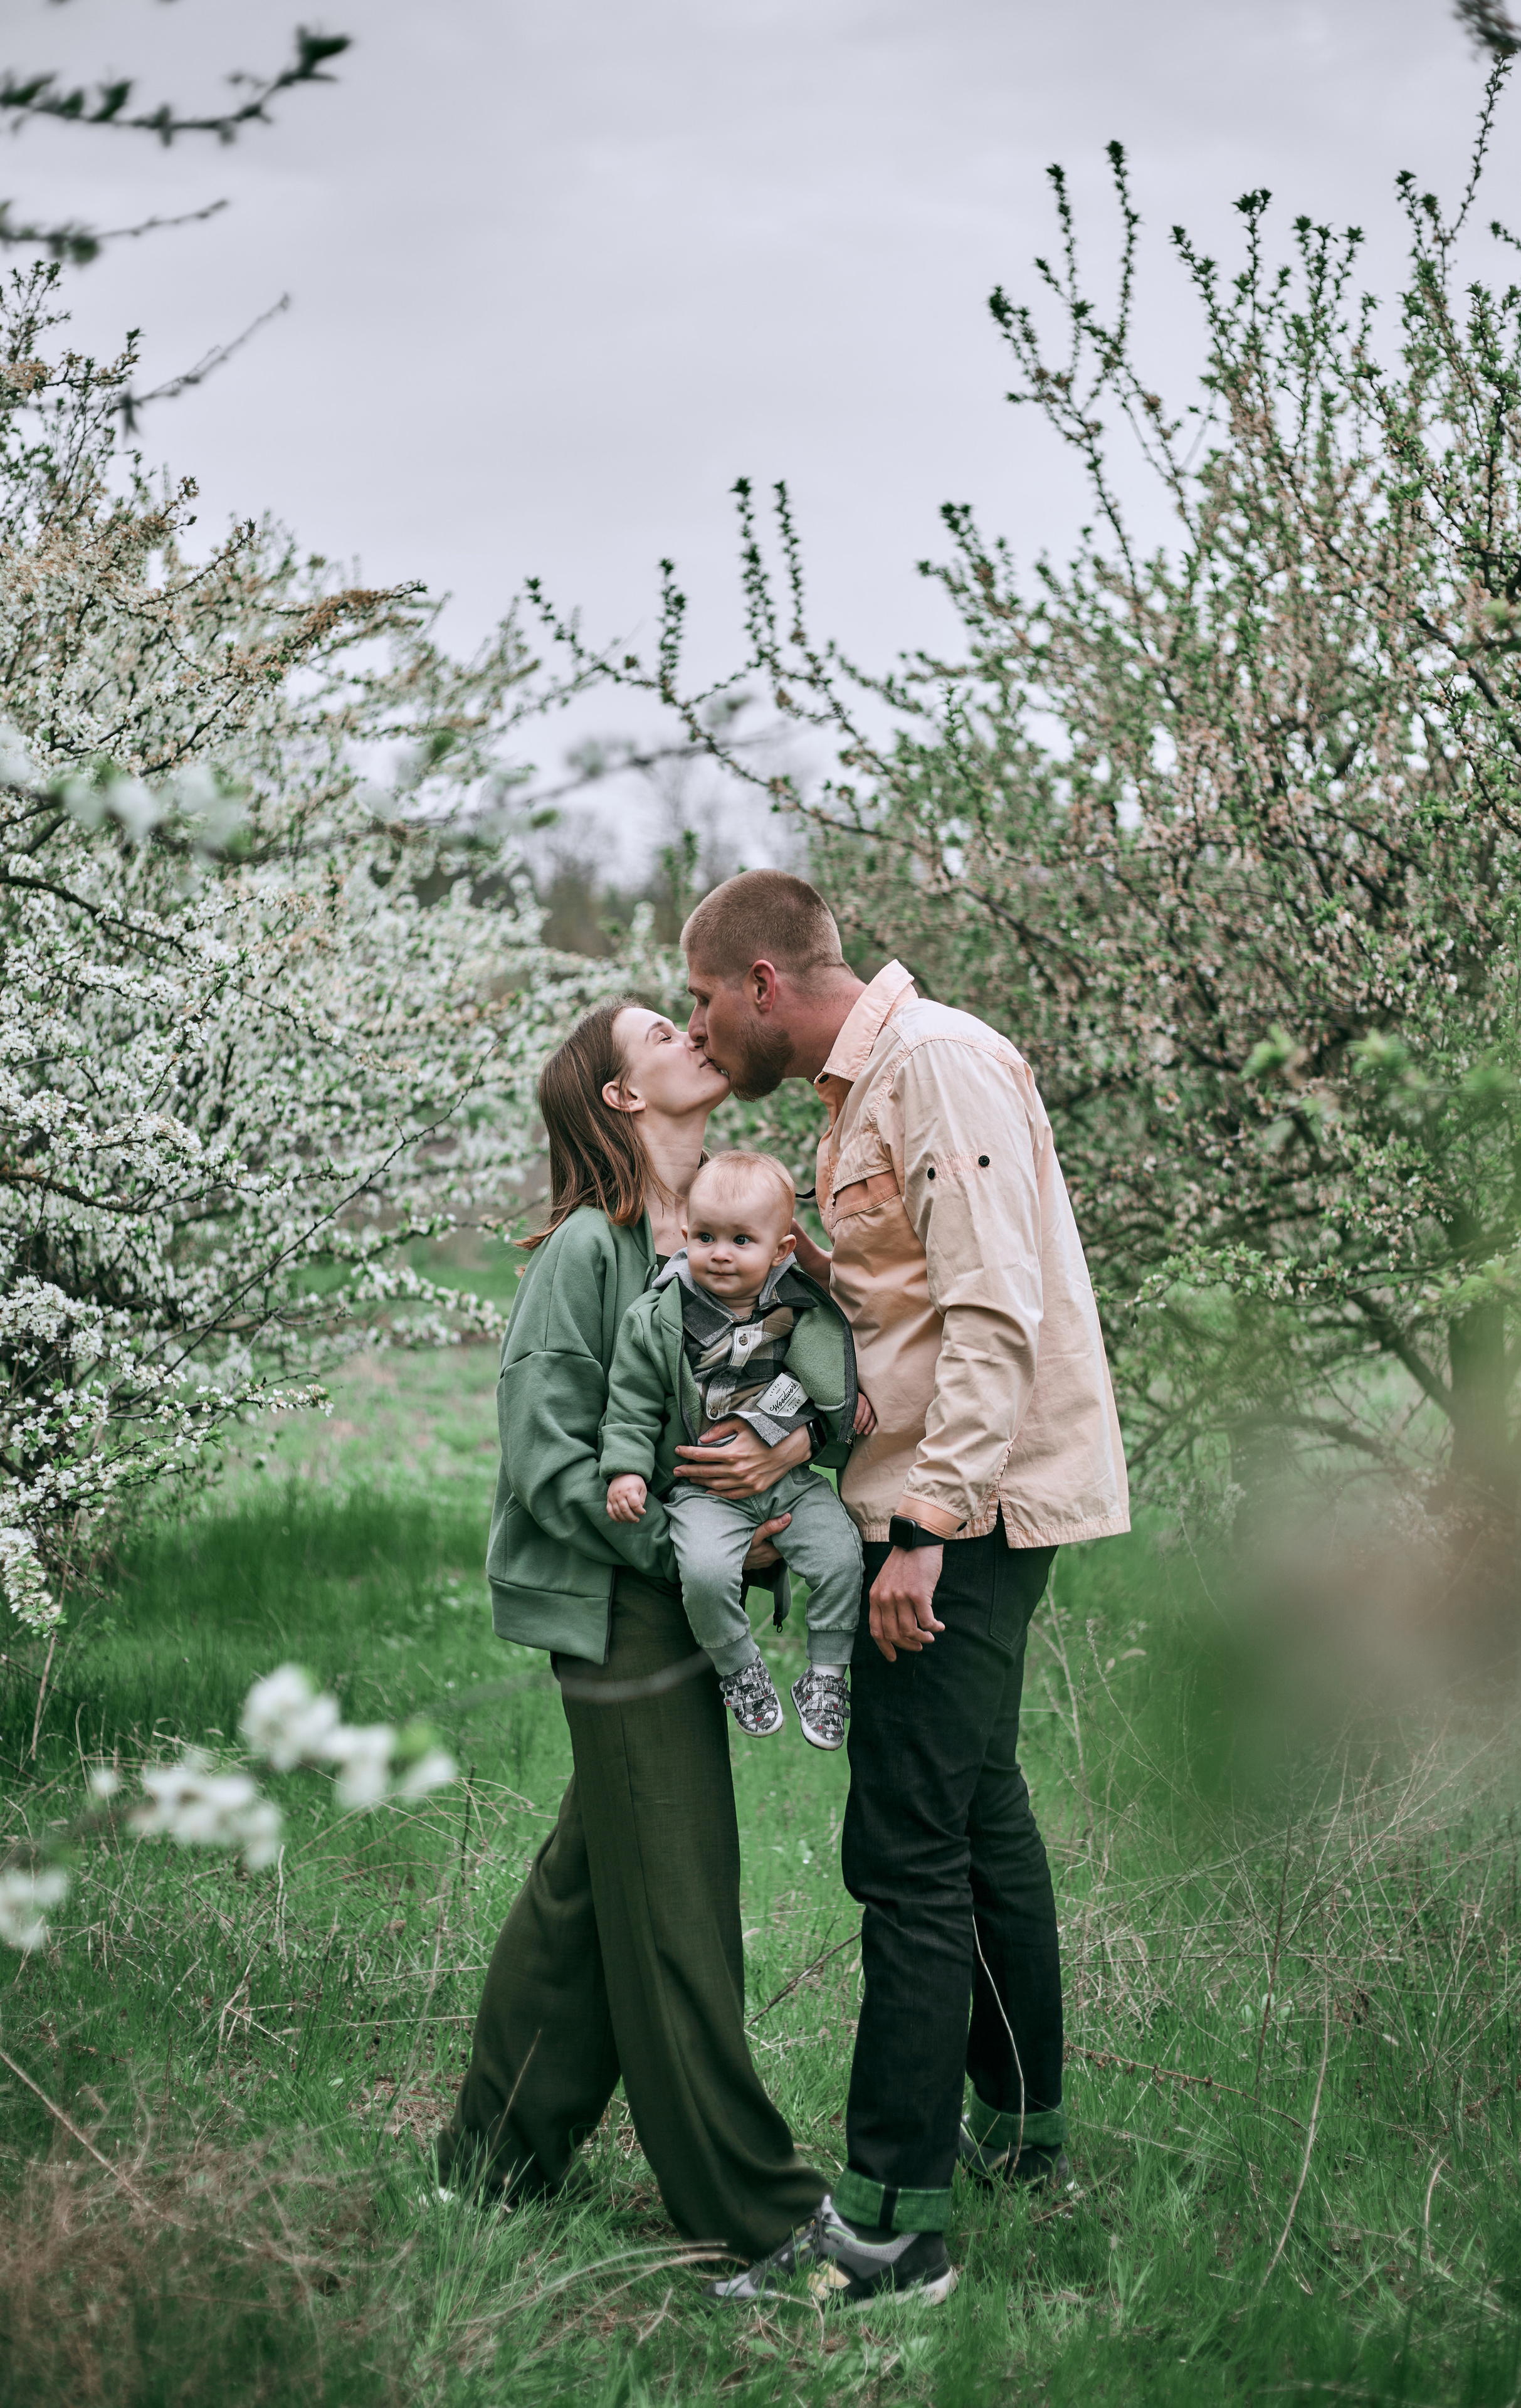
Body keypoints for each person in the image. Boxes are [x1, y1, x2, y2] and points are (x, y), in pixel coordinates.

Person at [682, 870, 1129, 2308]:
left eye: (700, 998)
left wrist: (928, 1523)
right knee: (978, 1812)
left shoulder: (931, 1061)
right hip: (947, 1497)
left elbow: (997, 1304)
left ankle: (886, 2229)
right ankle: (1018, 2132)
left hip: (964, 1512)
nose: (699, 1026)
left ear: (759, 980)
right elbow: (917, 1296)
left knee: (904, 1849)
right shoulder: (858, 1088)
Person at [435, 1000, 826, 2258]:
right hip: (617, 1611)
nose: (689, 1030)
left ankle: (489, 2168)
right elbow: (549, 1460)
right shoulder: (585, 1256)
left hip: (679, 1604)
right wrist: (678, 1551)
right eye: (660, 1028)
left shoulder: (721, 1241)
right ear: (621, 1096)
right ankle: (754, 2217)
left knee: (590, 1891)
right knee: (676, 1903)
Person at [601, 1146, 872, 1746]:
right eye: (705, 1237)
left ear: (780, 1250)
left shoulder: (796, 1308)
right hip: (702, 1490)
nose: (719, 1253)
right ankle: (737, 1665)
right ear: (684, 1235)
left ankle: (827, 1671)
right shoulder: (661, 1316)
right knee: (701, 1572)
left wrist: (848, 1400)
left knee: (841, 1556)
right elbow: (631, 1402)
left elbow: (828, 1372)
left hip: (790, 1481)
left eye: (741, 1241)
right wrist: (625, 1470)